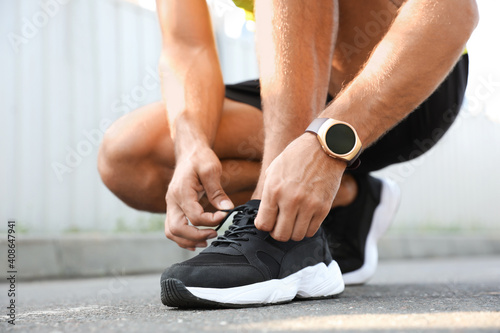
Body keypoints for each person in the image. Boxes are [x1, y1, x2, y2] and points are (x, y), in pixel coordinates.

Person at [98, 0, 478, 308]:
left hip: (406, 82)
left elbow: (454, 9)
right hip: (303, 88)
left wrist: (326, 145)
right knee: (129, 158)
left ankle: (277, 235)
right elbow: (188, 46)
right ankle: (349, 202)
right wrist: (191, 144)